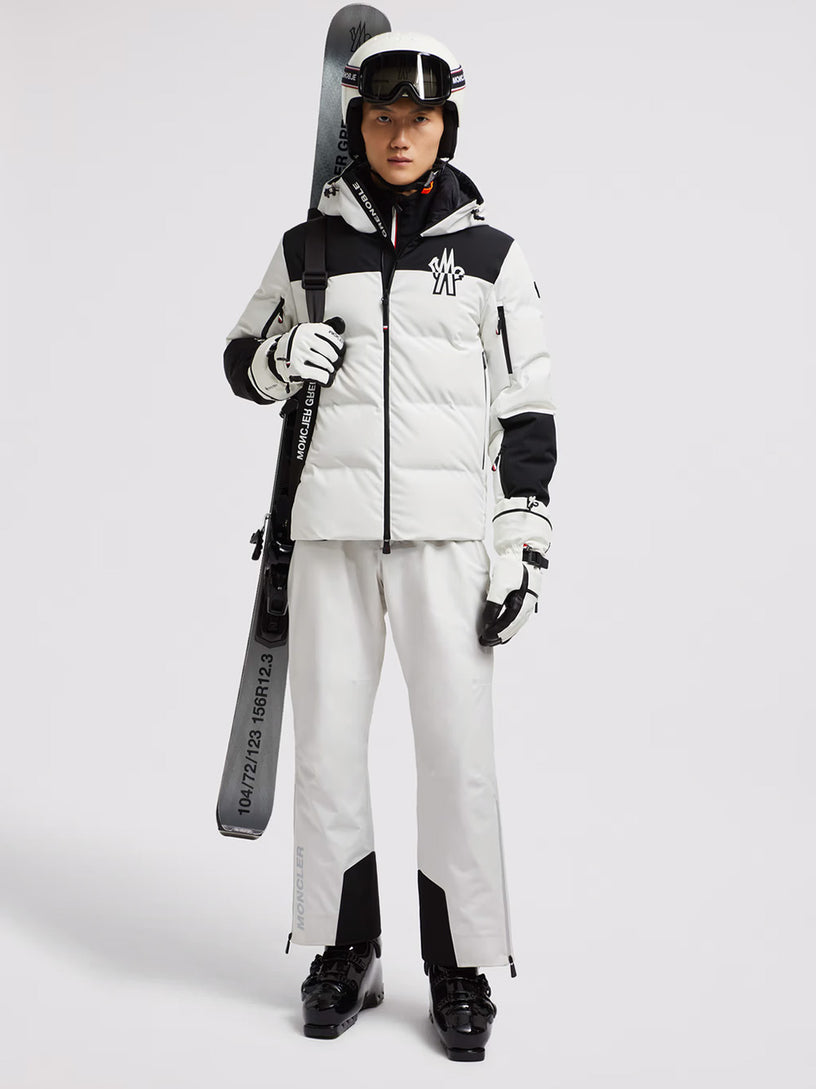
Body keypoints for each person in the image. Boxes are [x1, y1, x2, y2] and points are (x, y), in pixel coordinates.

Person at [224, 30, 557, 1062]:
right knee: (327, 751)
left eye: (418, 119)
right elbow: (239, 358)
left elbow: (526, 409)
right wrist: (282, 355)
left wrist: (524, 540)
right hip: (327, 536)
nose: (400, 136)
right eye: (380, 118)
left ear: (446, 124)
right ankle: (345, 949)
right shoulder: (307, 250)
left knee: (456, 756)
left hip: (446, 542)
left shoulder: (491, 258)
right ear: (357, 124)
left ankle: (460, 965)